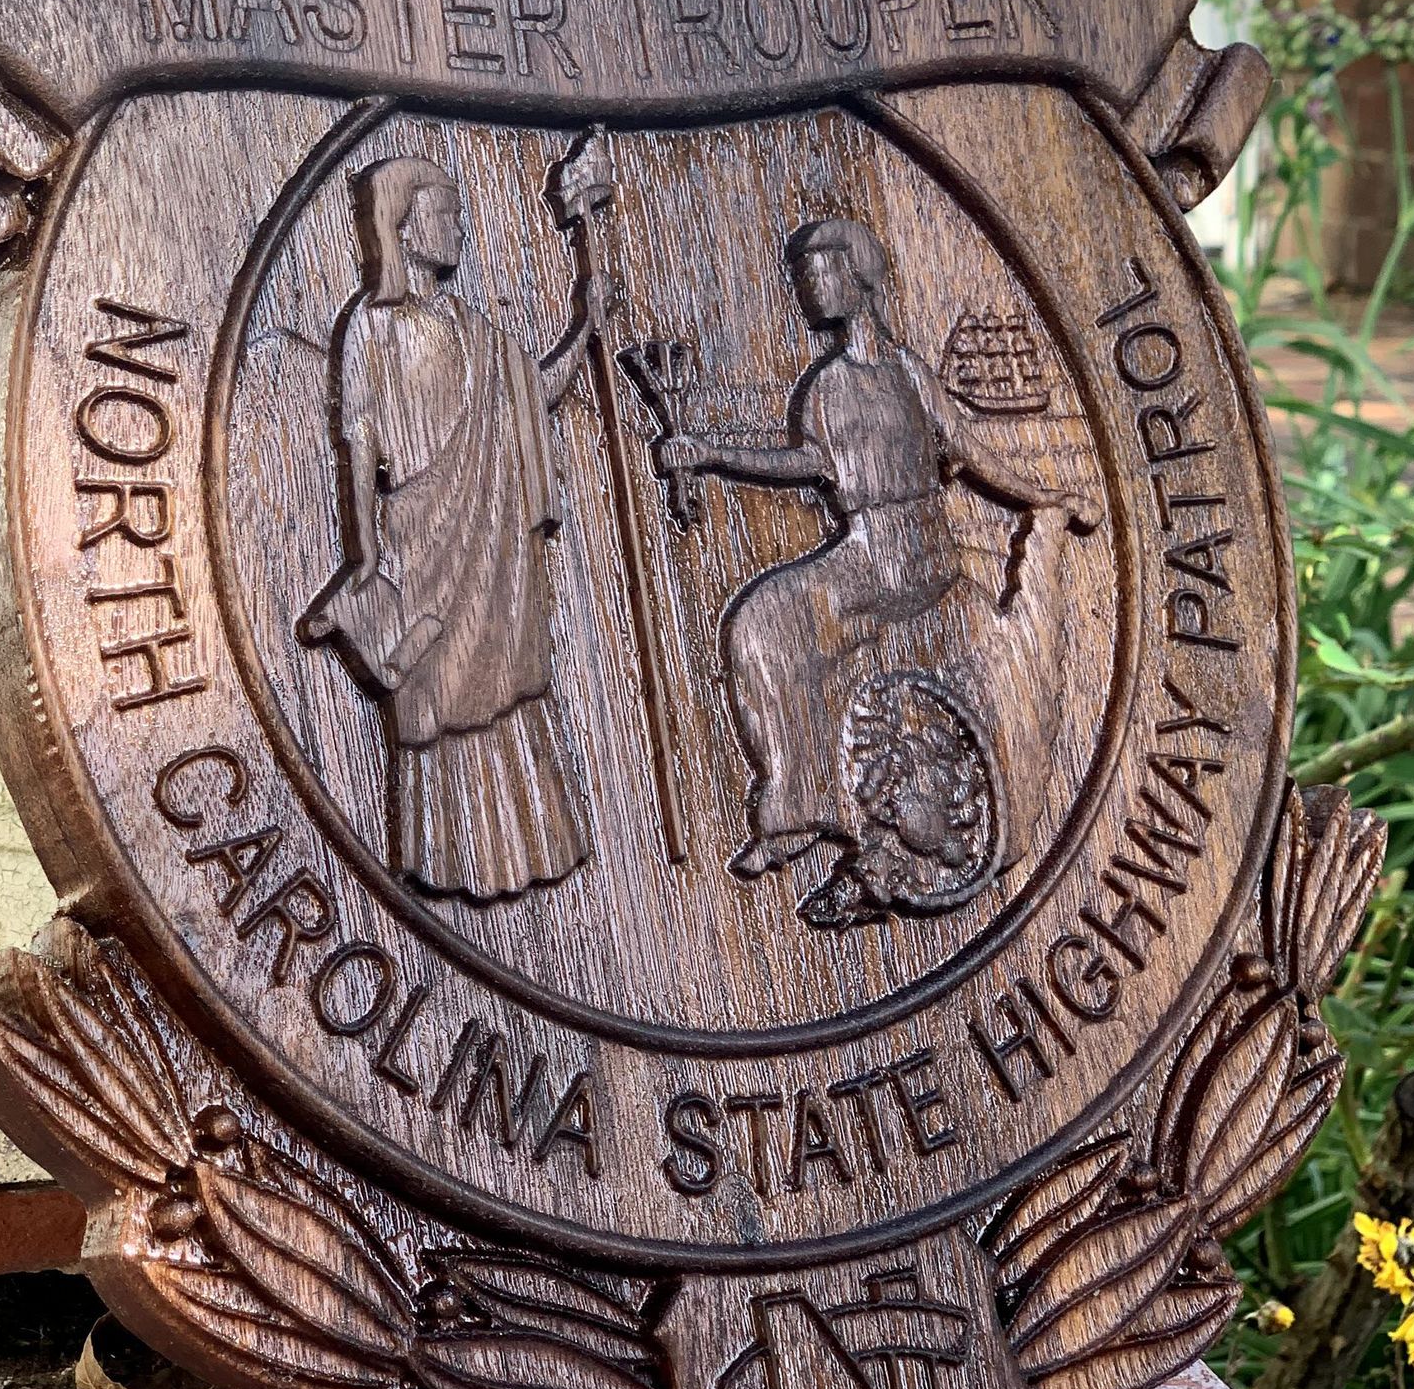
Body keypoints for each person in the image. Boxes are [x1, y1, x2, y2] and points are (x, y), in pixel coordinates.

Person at [655, 217, 1097, 892]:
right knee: (761, 625)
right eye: (803, 276)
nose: (808, 286)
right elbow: (809, 462)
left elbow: (970, 451)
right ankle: (799, 809)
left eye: (821, 271)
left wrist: (1042, 494)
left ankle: (800, 813)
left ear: (857, 277)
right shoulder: (829, 385)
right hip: (863, 550)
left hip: (912, 557)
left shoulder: (908, 372)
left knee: (774, 625)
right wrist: (712, 454)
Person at [301, 156, 599, 900]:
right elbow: (360, 441)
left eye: (460, 213)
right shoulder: (370, 328)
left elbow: (538, 395)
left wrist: (590, 319)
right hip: (422, 538)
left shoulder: (482, 334)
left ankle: (531, 852)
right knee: (436, 702)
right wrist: (368, 548)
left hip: (489, 551)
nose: (459, 227)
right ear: (403, 227)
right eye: (446, 214)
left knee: (500, 692)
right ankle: (441, 861)